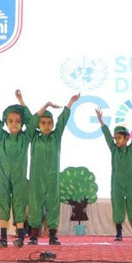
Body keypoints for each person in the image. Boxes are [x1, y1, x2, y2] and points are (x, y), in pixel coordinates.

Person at [0, 90, 49, 248]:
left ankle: (20, 237)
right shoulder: (1, 136)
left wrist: (24, 101)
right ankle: (2, 238)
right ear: (6, 122)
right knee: (4, 202)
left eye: (17, 121)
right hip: (2, 176)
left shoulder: (25, 137)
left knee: (19, 203)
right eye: (10, 121)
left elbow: (33, 121)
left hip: (19, 177)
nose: (14, 123)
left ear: (22, 123)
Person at [27, 94, 80, 246]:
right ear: (38, 125)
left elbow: (62, 120)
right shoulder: (34, 137)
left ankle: (52, 236)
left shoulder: (56, 137)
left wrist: (70, 102)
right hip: (36, 179)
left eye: (49, 123)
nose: (46, 125)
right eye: (43, 123)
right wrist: (46, 105)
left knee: (52, 205)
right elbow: (31, 121)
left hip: (52, 179)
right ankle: (34, 236)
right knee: (35, 206)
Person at [98, 107, 132, 242]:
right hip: (117, 184)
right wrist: (101, 121)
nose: (116, 140)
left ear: (127, 137)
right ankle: (119, 233)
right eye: (115, 138)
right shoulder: (114, 150)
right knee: (118, 206)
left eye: (119, 138)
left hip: (131, 184)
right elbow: (107, 136)